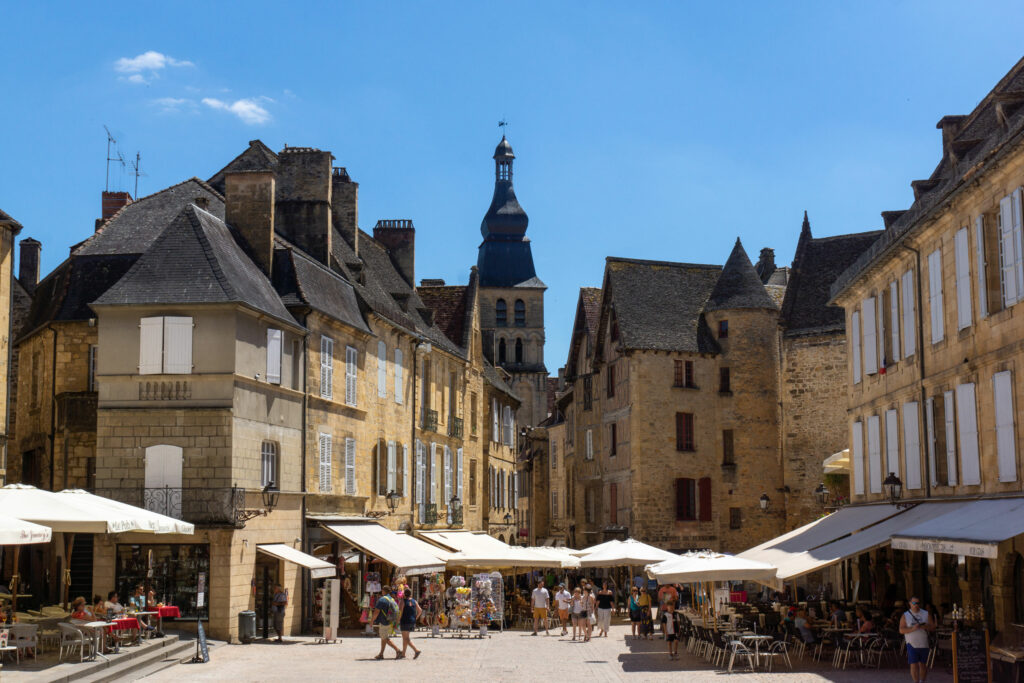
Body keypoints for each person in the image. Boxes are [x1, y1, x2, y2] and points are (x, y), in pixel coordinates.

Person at [899, 597, 933, 683]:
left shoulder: (926, 614)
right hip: (911, 643)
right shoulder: (905, 615)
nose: (916, 605)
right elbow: (901, 630)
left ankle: (922, 681)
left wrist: (924, 627)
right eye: (914, 603)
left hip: (924, 643)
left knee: (923, 665)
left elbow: (933, 627)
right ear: (910, 604)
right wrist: (913, 628)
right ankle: (915, 681)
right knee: (913, 664)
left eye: (918, 603)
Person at [371, 586, 402, 660]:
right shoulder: (391, 599)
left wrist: (372, 621)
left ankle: (398, 650)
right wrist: (396, 623)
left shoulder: (382, 600)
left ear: (383, 591)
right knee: (383, 637)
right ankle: (381, 654)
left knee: (384, 637)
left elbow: (376, 612)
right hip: (390, 620)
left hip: (384, 621)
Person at [399, 588, 422, 659]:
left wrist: (397, 621)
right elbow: (420, 610)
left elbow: (400, 612)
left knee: (406, 638)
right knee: (406, 638)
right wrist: (415, 618)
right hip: (412, 621)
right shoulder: (414, 601)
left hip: (404, 621)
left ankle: (416, 650)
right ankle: (403, 654)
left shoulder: (403, 601)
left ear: (404, 594)